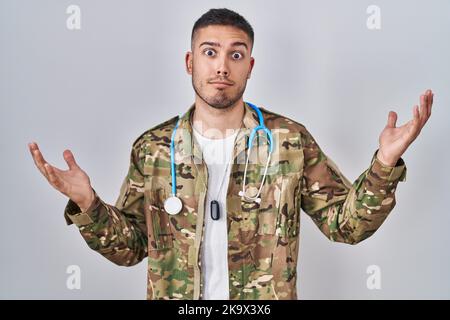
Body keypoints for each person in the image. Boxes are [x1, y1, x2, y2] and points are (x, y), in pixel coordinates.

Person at [28, 8, 433, 300]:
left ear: (250, 66)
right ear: (190, 62)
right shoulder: (153, 149)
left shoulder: (288, 141)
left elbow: (346, 226)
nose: (222, 66)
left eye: (235, 54)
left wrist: (383, 166)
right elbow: (132, 247)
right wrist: (87, 204)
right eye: (210, 52)